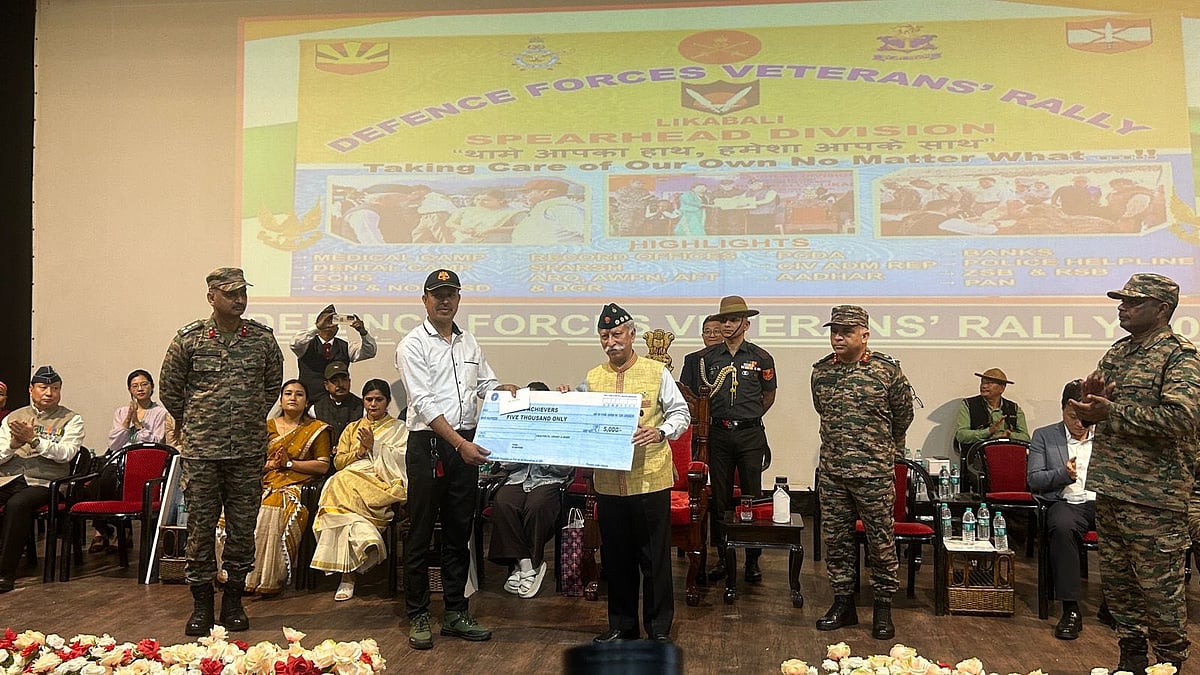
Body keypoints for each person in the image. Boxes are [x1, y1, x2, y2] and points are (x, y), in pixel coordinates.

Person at [1070, 273, 1200, 672]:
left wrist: (1112, 411)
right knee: (1119, 588)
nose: (1122, 307)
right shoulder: (1118, 352)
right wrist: (1090, 407)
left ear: (1162, 309)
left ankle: (1169, 664)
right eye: (1122, 300)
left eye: (1133, 302)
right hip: (1111, 488)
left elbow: (1182, 418)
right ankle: (1131, 660)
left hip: (1155, 497)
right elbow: (1100, 411)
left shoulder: (1180, 356)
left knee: (1160, 593)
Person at [159, 267, 284, 636]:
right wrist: (200, 421)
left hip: (246, 451)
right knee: (200, 529)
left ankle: (233, 601)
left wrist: (245, 418)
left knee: (243, 530)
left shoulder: (261, 340)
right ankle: (201, 605)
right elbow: (170, 390)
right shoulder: (190, 339)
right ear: (211, 297)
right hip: (202, 452)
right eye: (231, 294)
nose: (239, 300)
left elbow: (271, 387)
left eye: (243, 293)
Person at [397, 268, 516, 649]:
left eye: (451, 294)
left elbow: (485, 384)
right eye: (437, 294)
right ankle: (418, 613)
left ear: (459, 299)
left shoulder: (469, 342)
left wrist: (505, 390)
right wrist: (460, 444)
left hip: (465, 445)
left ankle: (455, 611)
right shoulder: (412, 345)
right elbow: (423, 403)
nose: (444, 300)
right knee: (420, 535)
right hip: (429, 445)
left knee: (458, 533)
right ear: (425, 300)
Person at [584, 303, 691, 643]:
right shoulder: (593, 376)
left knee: (653, 558)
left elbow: (681, 414)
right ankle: (621, 625)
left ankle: (658, 629)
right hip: (608, 482)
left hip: (648, 478)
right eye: (604, 336)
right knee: (616, 558)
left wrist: (660, 432)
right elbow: (583, 419)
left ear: (632, 335)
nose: (611, 342)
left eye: (617, 334)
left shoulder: (656, 372)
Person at [811, 305, 913, 640]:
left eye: (846, 332)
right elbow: (822, 411)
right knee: (836, 542)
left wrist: (881, 451)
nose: (837, 337)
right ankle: (843, 604)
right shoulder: (821, 372)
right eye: (834, 331)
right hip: (833, 472)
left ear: (865, 335)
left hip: (873, 473)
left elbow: (903, 416)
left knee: (880, 543)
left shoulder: (887, 372)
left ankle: (883, 608)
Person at [679, 296, 776, 584]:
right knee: (720, 499)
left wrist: (747, 416)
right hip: (718, 435)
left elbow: (769, 395)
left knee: (751, 496)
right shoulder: (707, 359)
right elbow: (696, 398)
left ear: (746, 324)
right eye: (723, 320)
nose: (727, 325)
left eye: (733, 320)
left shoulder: (761, 357)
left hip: (749, 434)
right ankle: (724, 557)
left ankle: (752, 560)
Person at [310, 379, 407, 601]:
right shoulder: (352, 428)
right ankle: (365, 541)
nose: (373, 404)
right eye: (369, 399)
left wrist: (376, 447)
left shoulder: (400, 429)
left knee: (339, 485)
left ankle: (348, 578)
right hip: (349, 479)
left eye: (378, 399)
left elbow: (402, 461)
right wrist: (361, 451)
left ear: (388, 402)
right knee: (339, 482)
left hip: (380, 481)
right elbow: (339, 462)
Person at [235, 380, 332, 596]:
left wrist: (289, 463)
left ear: (306, 401)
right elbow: (250, 462)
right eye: (288, 393)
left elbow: (323, 466)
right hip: (264, 481)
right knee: (234, 509)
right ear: (280, 399)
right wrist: (270, 464)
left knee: (273, 505)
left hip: (297, 484)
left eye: (299, 394)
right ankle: (236, 577)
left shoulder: (317, 429)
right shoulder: (266, 427)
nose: (293, 398)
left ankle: (265, 579)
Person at [0, 366, 85, 592]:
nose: (49, 393)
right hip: (9, 477)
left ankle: (5, 573)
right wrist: (13, 445)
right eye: (43, 387)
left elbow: (67, 454)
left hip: (45, 482)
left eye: (55, 388)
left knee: (17, 504)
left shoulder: (71, 419)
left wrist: (35, 441)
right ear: (31, 389)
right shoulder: (13, 417)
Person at [488, 381, 574, 599]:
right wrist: (519, 448)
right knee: (503, 502)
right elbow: (504, 463)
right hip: (517, 477)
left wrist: (542, 451)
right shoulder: (515, 423)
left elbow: (566, 468)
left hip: (549, 479)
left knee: (537, 505)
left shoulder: (560, 426)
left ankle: (531, 563)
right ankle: (527, 566)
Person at [1027, 379, 1096, 640]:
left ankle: (1117, 606)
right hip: (1066, 502)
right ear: (1064, 409)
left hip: (1103, 503)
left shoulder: (1108, 438)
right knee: (1062, 527)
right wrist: (1063, 475)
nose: (1079, 424)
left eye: (1085, 419)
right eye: (1073, 417)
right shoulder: (1044, 436)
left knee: (1132, 527)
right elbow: (1034, 479)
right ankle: (1071, 609)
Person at [93, 369, 175, 553]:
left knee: (120, 480)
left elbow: (155, 441)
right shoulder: (122, 411)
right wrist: (126, 422)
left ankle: (122, 532)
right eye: (135, 386)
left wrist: (138, 425)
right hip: (121, 460)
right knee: (102, 478)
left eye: (144, 384)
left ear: (152, 387)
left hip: (146, 463)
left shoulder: (161, 413)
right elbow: (114, 444)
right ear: (129, 389)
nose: (140, 389)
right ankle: (105, 529)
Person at [290, 304, 377, 404]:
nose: (329, 324)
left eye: (333, 321)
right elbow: (294, 343)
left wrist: (363, 332)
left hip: (337, 403)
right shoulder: (306, 344)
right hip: (310, 401)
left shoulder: (345, 347)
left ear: (337, 328)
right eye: (326, 320)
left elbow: (370, 352)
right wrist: (317, 328)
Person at [953, 367, 1030, 472]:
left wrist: (1009, 436)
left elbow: (1025, 438)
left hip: (1008, 456)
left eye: (989, 383)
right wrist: (988, 432)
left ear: (1002, 388)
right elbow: (961, 435)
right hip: (978, 459)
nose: (984, 386)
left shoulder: (1014, 408)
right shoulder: (968, 405)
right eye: (982, 382)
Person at [510, 179, 586, 244]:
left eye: (527, 192)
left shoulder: (562, 208)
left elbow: (587, 233)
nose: (525, 196)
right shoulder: (547, 207)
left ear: (546, 192)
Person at [310, 362, 363, 448]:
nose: (341, 384)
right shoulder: (315, 409)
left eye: (344, 380)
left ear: (349, 381)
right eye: (335, 381)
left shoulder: (361, 407)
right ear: (326, 385)